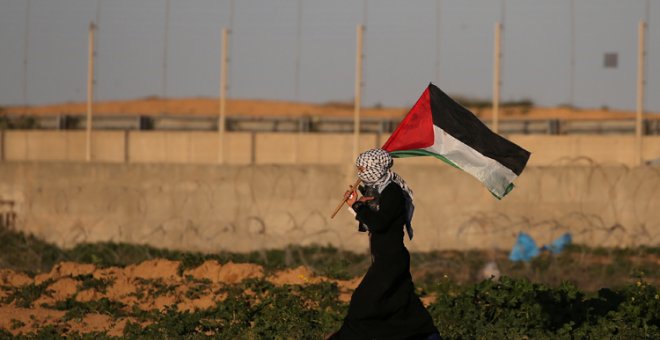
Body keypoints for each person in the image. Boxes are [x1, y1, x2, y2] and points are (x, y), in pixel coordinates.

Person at [329, 148, 440, 340]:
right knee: (402, 304)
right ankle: (426, 336)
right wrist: (358, 204)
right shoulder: (379, 191)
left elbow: (379, 223)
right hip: (386, 258)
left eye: (364, 168)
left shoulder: (393, 192)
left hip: (390, 260)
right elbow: (370, 221)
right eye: (359, 168)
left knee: (363, 303)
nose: (360, 173)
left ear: (376, 167)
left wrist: (357, 205)